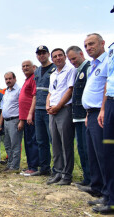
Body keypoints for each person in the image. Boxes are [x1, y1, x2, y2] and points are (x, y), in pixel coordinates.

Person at [78, 33, 110, 210]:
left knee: (103, 155)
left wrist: (103, 110)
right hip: (91, 114)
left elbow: (107, 86)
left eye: (91, 44)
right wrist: (88, 115)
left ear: (102, 43)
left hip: (101, 113)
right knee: (93, 153)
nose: (88, 48)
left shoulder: (107, 62)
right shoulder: (93, 65)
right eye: (86, 45)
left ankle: (108, 195)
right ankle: (97, 188)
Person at [45, 48, 76, 185]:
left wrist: (58, 106)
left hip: (63, 110)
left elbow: (70, 90)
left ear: (64, 57)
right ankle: (57, 172)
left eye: (60, 55)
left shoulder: (70, 70)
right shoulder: (53, 74)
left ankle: (67, 175)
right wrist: (48, 105)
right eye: (55, 56)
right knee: (55, 143)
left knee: (66, 143)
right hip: (52, 111)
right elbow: (50, 93)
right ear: (52, 59)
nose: (57, 58)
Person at [96, 18, 114, 214]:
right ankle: (110, 198)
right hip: (110, 103)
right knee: (109, 153)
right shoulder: (112, 49)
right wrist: (103, 108)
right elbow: (108, 81)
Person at [66, 46, 91, 186]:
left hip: (86, 116)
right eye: (70, 60)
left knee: (87, 150)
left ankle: (93, 180)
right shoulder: (77, 71)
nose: (72, 62)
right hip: (77, 116)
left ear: (81, 54)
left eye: (74, 58)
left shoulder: (88, 67)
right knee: (81, 149)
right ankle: (87, 178)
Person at [30, 45, 56, 177]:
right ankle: (44, 168)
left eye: (43, 53)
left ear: (48, 54)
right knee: (41, 141)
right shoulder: (37, 71)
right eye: (39, 53)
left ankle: (57, 170)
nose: (41, 55)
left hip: (50, 110)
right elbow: (35, 93)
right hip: (38, 110)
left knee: (53, 140)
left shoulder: (55, 68)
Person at [0, 72, 23, 172]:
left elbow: (22, 106)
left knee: (15, 144)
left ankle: (15, 166)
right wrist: (0, 123)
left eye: (10, 78)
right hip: (6, 122)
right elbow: (3, 109)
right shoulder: (6, 92)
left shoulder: (19, 91)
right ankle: (10, 164)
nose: (8, 81)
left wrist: (21, 121)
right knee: (7, 144)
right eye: (6, 79)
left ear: (15, 79)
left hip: (15, 120)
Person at [19, 60, 39, 176]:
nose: (25, 68)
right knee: (28, 142)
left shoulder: (34, 78)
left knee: (32, 141)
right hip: (26, 118)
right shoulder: (27, 80)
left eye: (27, 66)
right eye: (23, 66)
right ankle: (31, 165)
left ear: (33, 67)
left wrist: (30, 114)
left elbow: (34, 97)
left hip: (31, 117)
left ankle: (34, 167)